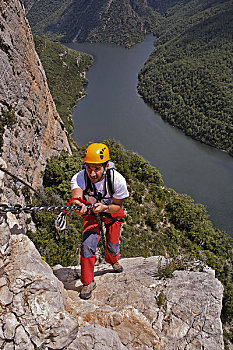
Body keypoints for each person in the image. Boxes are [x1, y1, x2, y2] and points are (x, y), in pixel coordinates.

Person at [70, 143, 129, 299]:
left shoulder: (117, 180)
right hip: (91, 211)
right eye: (89, 168)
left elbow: (117, 207)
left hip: (109, 210)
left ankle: (113, 259)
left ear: (106, 166)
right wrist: (77, 205)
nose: (92, 173)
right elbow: (76, 196)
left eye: (97, 169)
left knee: (113, 244)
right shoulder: (80, 177)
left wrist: (104, 208)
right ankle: (88, 282)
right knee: (87, 245)